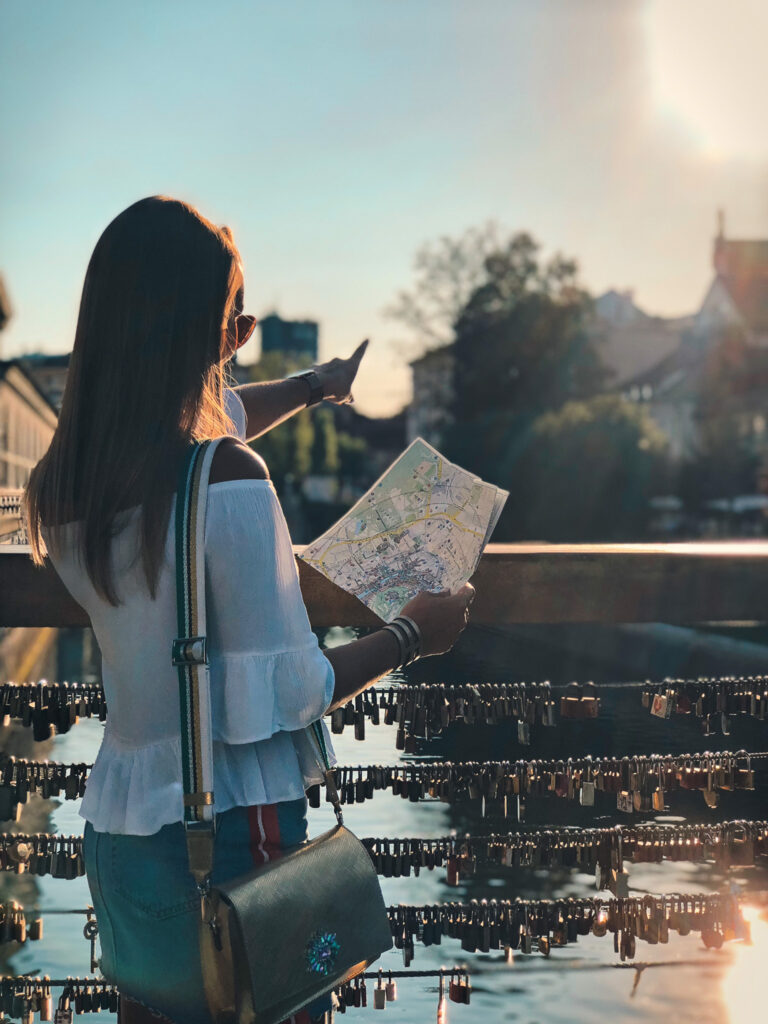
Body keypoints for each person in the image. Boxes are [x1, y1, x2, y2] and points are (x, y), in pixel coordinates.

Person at [22, 196, 475, 1024]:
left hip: (122, 832)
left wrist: (313, 386)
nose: (243, 337)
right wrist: (414, 633)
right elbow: (296, 691)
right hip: (230, 836)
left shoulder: (65, 485)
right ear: (200, 329)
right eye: (233, 317)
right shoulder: (228, 482)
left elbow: (210, 414)